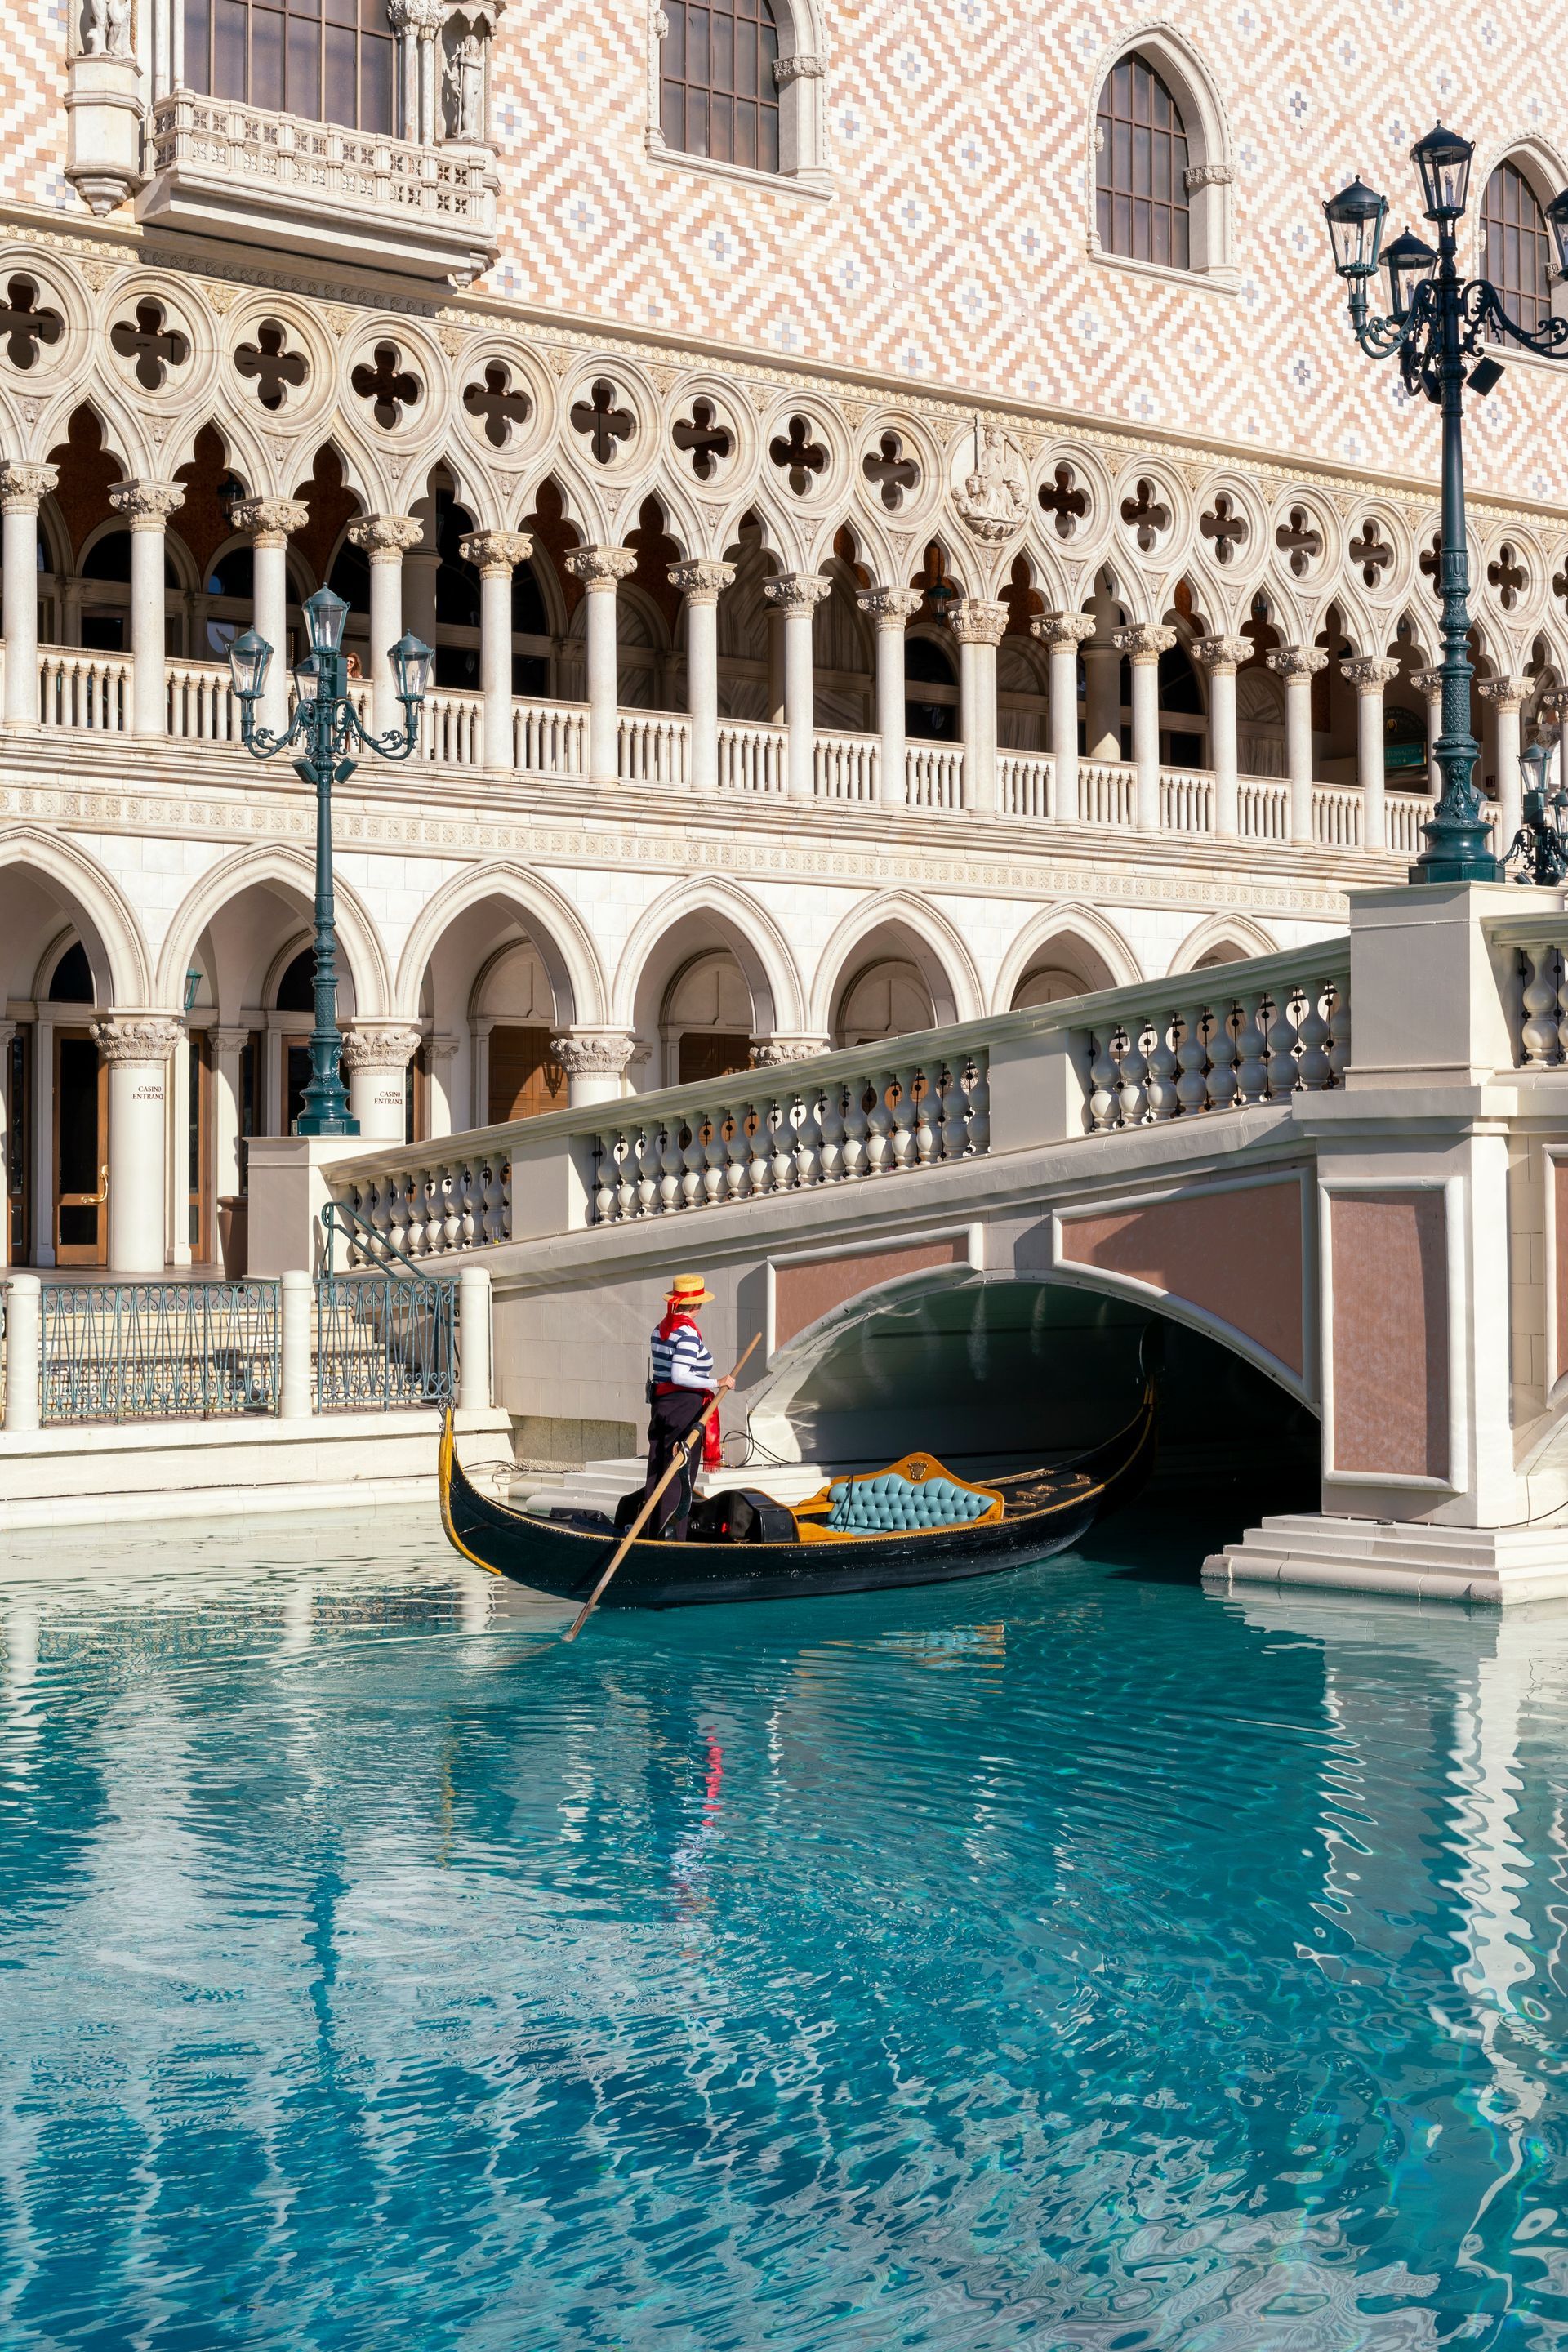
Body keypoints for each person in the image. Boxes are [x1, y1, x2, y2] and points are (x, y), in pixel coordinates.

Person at [643, 1274, 734, 1540]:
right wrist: (717, 1382)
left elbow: (666, 1375)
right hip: (684, 1408)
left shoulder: (660, 1328)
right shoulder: (688, 1333)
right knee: (680, 1474)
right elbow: (679, 1376)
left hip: (661, 1407)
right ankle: (671, 1539)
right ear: (696, 1307)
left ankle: (651, 1534)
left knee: (658, 1469)